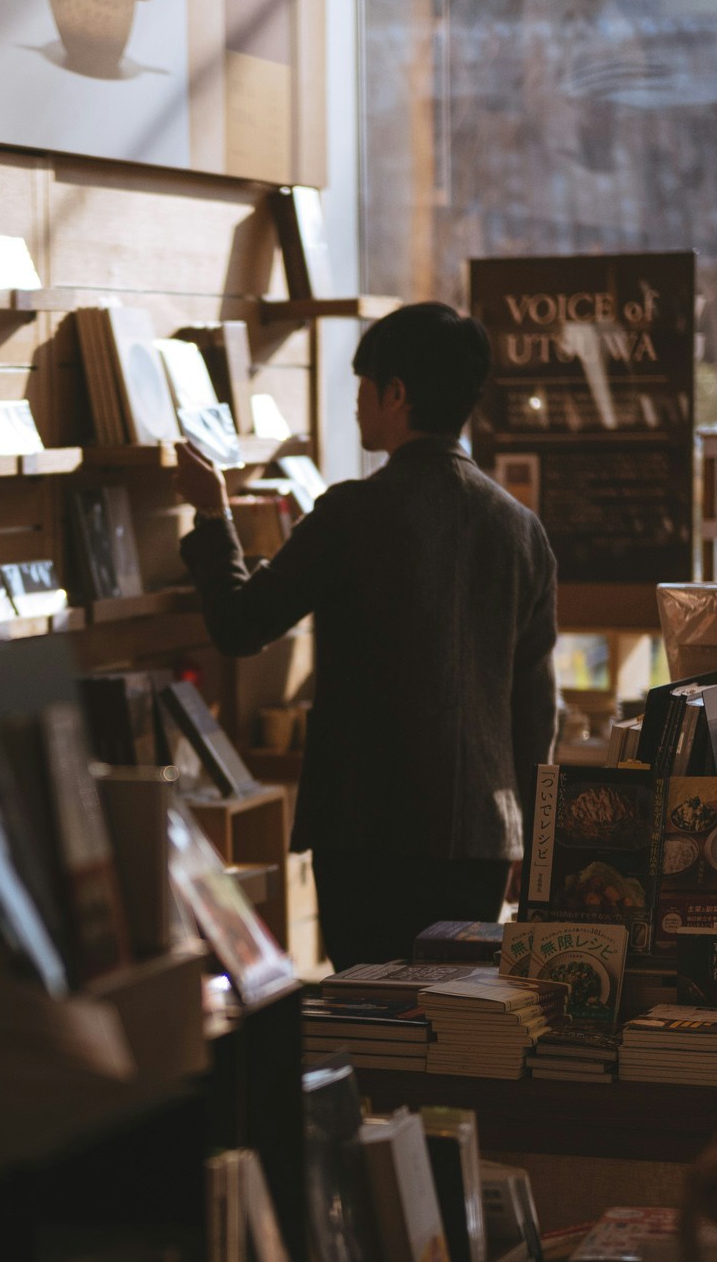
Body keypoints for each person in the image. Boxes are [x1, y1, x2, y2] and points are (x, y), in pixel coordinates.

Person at [174, 300, 558, 972]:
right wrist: (534, 838)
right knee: (458, 1028)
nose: (357, 406)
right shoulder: (522, 529)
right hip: (483, 838)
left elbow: (239, 626)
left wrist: (212, 511)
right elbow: (534, 710)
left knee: (369, 1021)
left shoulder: (352, 513)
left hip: (366, 832)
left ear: (396, 394)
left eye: (363, 389)